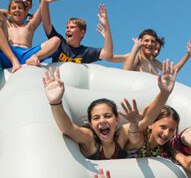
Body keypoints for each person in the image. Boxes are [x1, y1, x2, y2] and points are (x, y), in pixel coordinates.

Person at [42, 60, 177, 160]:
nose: (102, 121)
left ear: (116, 119)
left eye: (107, 116)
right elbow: (68, 128)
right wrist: (56, 102)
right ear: (90, 124)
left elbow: (147, 120)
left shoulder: (121, 135)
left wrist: (164, 93)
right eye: (96, 118)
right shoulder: (90, 140)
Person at [112, 29, 191, 75]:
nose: (149, 44)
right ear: (140, 41)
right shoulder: (137, 57)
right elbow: (125, 72)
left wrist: (188, 55)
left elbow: (173, 71)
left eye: (152, 41)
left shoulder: (154, 62)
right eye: (146, 41)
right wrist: (136, 47)